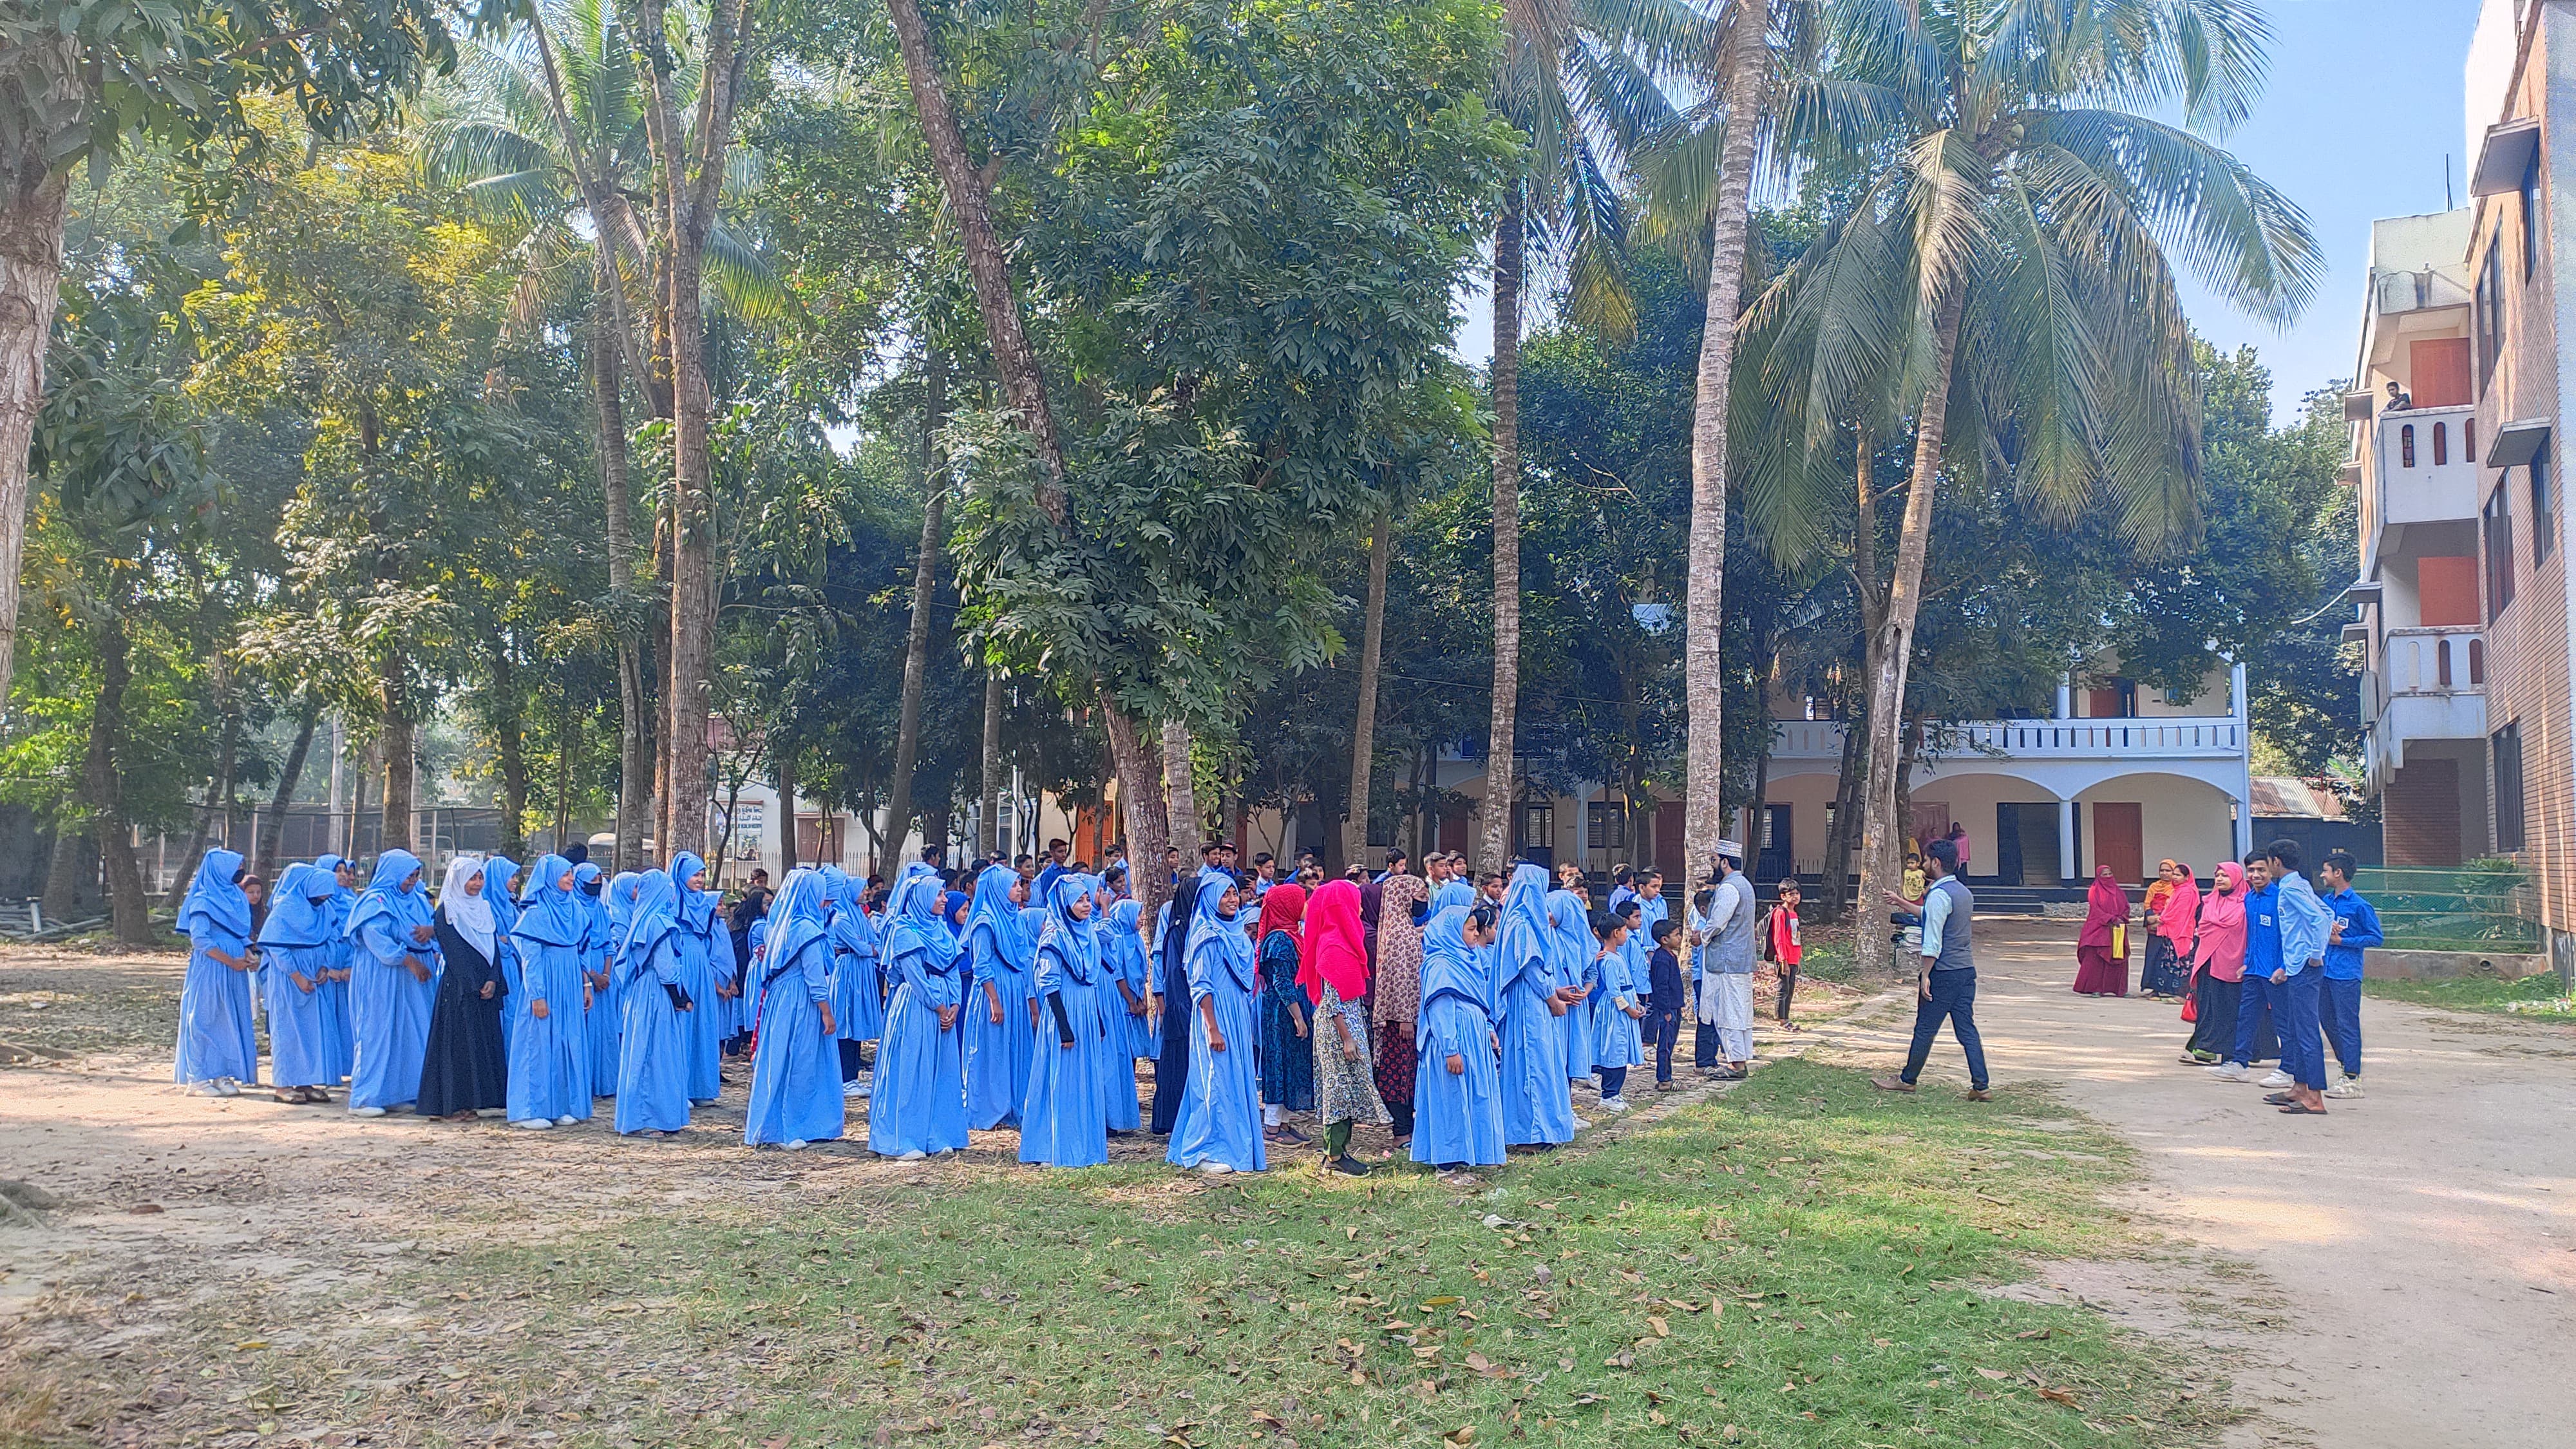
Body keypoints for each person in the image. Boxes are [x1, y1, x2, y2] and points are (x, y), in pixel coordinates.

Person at [1873, 838, 1989, 1099]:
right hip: (1965, 971)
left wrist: (1926, 974)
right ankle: (1981, 1085)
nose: (1923, 864)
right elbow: (1930, 915)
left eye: (1925, 860)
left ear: (1936, 863)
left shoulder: (1939, 895)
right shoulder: (1963, 893)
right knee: (1966, 1029)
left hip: (1943, 972)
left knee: (1925, 1028)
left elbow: (1933, 939)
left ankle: (1907, 1079)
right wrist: (1900, 901)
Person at [1167, 872, 1266, 1175]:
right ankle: (1205, 1149)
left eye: (1234, 894)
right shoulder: (1206, 934)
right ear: (1210, 899)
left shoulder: (1236, 932)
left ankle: (1236, 1145)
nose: (1233, 900)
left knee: (1236, 1080)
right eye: (1224, 895)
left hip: (1236, 1013)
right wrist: (1212, 1027)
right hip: (1216, 1016)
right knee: (1214, 1080)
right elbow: (1201, 986)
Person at [743, 869, 845, 1150]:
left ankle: (769, 1126)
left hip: (779, 1000)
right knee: (802, 1062)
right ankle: (795, 1126)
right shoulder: (808, 931)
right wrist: (826, 1010)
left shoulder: (778, 927)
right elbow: (814, 977)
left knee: (777, 1060)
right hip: (802, 1001)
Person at [871, 869, 969, 1159]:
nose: (943, 899)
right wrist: (940, 1007)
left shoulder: (942, 931)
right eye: (938, 894)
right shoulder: (904, 931)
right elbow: (915, 977)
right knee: (911, 1070)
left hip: (943, 1010)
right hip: (916, 1007)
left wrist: (954, 1006)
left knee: (941, 1071)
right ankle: (903, 1137)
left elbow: (953, 971)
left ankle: (937, 1134)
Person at [1021, 873, 1110, 1168]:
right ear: (1064, 903)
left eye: (1088, 899)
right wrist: (1063, 1027)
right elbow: (1049, 985)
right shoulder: (1054, 937)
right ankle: (1052, 1145)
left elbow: (1091, 980)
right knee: (1061, 1077)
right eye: (1079, 900)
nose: (1086, 905)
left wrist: (1096, 1019)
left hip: (1085, 1008)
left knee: (1084, 1078)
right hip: (1064, 1012)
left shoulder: (1090, 934)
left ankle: (1083, 1145)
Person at [1411, 902, 1506, 1175]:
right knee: (1451, 1096)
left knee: (1472, 1094)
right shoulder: (1440, 964)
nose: (1477, 934)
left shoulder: (1467, 960)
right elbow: (1440, 1009)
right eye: (1471, 929)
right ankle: (1447, 1160)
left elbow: (1477, 1001)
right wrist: (1450, 1049)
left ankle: (1468, 1152)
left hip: (1473, 1038)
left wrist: (1488, 1030)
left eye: (1477, 929)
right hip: (1453, 1041)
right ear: (1452, 931)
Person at [1300, 878, 1385, 1175]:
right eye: (1355, 900)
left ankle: (1339, 1150)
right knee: (1338, 1087)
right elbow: (1333, 999)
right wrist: (1347, 1038)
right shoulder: (1333, 945)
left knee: (1347, 1085)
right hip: (1338, 1028)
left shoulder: (1344, 940)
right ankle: (1334, 1155)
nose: (1360, 906)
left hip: (1347, 1022)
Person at [346, 849, 438, 1118]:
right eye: (408, 875)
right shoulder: (375, 901)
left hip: (417, 977)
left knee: (412, 1032)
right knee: (379, 1031)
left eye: (416, 875)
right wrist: (408, 961)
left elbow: (432, 927)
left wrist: (429, 936)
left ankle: (400, 1092)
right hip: (385, 976)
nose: (412, 881)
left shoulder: (418, 900)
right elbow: (376, 938)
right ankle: (366, 1097)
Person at [507, 855, 594, 1128]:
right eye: (564, 874)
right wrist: (538, 996)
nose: (570, 879)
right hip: (546, 985)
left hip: (570, 985)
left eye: (571, 874)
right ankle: (530, 1109)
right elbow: (530, 959)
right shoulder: (535, 914)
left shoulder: (576, 910)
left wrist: (586, 984)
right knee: (539, 1043)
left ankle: (560, 1104)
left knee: (566, 1042)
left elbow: (580, 950)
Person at [419, 855, 509, 1122]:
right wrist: (474, 983)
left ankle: (473, 1101)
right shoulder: (447, 911)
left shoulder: (484, 909)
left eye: (480, 878)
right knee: (456, 1046)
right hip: (459, 989)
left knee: (480, 1045)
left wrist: (493, 979)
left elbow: (492, 947)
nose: (477, 883)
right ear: (458, 880)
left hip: (485, 989)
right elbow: (454, 952)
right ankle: (450, 1104)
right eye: (471, 878)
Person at [1493, 862, 1576, 1146]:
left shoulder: (1525, 921)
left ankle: (1542, 1128)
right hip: (1529, 1003)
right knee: (1533, 1062)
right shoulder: (1521, 923)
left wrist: (1556, 990)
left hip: (1535, 998)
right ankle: (1533, 1131)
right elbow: (1528, 967)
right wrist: (1552, 999)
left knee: (1540, 1061)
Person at [614, 869, 695, 1135]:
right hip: (657, 993)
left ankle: (640, 1116)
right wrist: (679, 997)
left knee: (641, 1050)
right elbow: (665, 966)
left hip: (642, 992)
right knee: (657, 1053)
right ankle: (653, 1117)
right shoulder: (660, 922)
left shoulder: (643, 919)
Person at [174, 849, 260, 1097]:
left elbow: (240, 932)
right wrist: (229, 961)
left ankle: (222, 1073)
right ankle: (197, 1077)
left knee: (228, 1018)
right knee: (202, 1017)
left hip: (235, 969)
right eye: (236, 866)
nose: (240, 871)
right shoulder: (203, 900)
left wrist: (247, 954)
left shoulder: (236, 897)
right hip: (212, 968)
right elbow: (200, 939)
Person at [256, 863, 339, 1104]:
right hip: (289, 980)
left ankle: (306, 1082)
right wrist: (297, 976)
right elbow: (276, 947)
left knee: (312, 1031)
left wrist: (325, 966)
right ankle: (283, 1086)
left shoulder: (325, 910)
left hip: (316, 977)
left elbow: (332, 939)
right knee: (288, 1031)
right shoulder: (285, 910)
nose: (324, 899)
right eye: (321, 894)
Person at [962, 862, 1036, 1130]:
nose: (1019, 889)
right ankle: (990, 1108)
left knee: (1015, 1046)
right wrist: (994, 1000)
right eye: (1014, 885)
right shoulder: (985, 921)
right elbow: (981, 965)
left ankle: (1015, 1103)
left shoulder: (1014, 918)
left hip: (1015, 989)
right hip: (995, 991)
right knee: (993, 1048)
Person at [2264, 839, 2335, 1117]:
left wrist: (2317, 953)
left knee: (2306, 1033)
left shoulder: (2291, 888)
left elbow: (2318, 919)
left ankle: (2315, 1098)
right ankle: (2300, 1087)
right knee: (2295, 1028)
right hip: (2296, 966)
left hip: (2305, 968)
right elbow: (2327, 913)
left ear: (2276, 862)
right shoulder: (2299, 884)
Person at [2209, 857, 2286, 1084]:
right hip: (2253, 970)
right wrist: (2246, 962)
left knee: (2282, 1021)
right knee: (2246, 1018)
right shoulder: (2249, 899)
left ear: (2271, 870)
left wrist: (2284, 967)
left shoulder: (2281, 897)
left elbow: (2287, 936)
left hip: (2275, 973)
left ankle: (2289, 1069)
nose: (2256, 875)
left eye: (2261, 870)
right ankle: (2239, 1064)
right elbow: (2253, 935)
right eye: (2251, 870)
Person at [667, 852, 735, 1104]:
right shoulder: (671, 900)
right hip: (680, 958)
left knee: (703, 1023)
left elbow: (711, 938)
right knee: (683, 1023)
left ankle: (700, 1087)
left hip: (700, 962)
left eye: (702, 874)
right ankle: (680, 1089)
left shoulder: (705, 904)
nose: (700, 879)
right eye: (695, 874)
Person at [1370, 869, 1429, 1147]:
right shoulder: (1401, 934)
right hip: (1402, 1021)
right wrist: (1406, 1017)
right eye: (1419, 897)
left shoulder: (1395, 927)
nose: (1422, 902)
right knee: (1400, 1076)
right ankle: (1402, 1131)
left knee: (1404, 1074)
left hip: (1401, 1017)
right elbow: (1402, 977)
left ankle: (1405, 1128)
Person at [2315, 852, 2381, 1100]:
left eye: (2326, 870)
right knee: (2327, 1020)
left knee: (2347, 1024)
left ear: (2338, 873)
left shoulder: (2360, 905)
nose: (2322, 875)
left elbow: (2376, 937)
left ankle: (2353, 1077)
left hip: (2346, 973)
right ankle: (2345, 1066)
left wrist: (2344, 941)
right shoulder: (2326, 902)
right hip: (2324, 970)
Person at [1253, 880, 1315, 1141]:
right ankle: (1272, 1125)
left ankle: (1285, 1121)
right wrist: (1298, 1016)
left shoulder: (1292, 934)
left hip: (1292, 1008)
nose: (1306, 905)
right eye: (1301, 900)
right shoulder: (1279, 940)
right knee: (1279, 1063)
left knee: (1293, 1063)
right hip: (1282, 1013)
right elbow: (1282, 982)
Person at [821, 866, 883, 1099]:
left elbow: (873, 941)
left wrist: (871, 948)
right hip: (849, 972)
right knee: (847, 1020)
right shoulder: (842, 919)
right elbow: (862, 947)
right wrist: (871, 949)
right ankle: (845, 1077)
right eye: (862, 890)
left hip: (861, 971)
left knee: (856, 1022)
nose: (866, 893)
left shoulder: (859, 916)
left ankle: (853, 1076)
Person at [1698, 844, 1759, 1080]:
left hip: (1726, 961)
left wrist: (1700, 936)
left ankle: (1736, 1063)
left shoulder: (1729, 888)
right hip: (1740, 959)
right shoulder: (1745, 885)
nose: (1712, 866)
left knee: (1728, 1013)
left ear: (1725, 862)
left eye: (1715, 860)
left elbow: (1717, 923)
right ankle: (1740, 1059)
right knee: (1740, 1011)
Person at [2179, 861, 2248, 1065]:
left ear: (2236, 878)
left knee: (2230, 1007)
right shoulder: (2208, 901)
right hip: (2208, 961)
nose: (2219, 879)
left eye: (2225, 876)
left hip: (2233, 962)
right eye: (2217, 875)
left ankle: (2232, 1053)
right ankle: (2205, 1049)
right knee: (2208, 1006)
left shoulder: (2246, 903)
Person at [1100, 896, 1155, 1132]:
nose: (1142, 919)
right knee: (1122, 1052)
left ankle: (1127, 1095)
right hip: (1122, 1003)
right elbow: (1118, 973)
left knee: (1132, 1053)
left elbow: (1140, 973)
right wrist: (1131, 1001)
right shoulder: (1119, 939)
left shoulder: (1136, 940)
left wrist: (1142, 997)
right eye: (1139, 914)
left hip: (1136, 999)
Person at [1591, 900, 1647, 1112]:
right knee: (1615, 1050)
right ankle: (1609, 1094)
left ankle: (1615, 1093)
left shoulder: (1617, 957)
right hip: (1616, 1011)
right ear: (1616, 933)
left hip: (1625, 1006)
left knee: (1621, 1050)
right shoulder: (1610, 961)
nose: (1626, 934)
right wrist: (1629, 1008)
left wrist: (1637, 1002)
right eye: (1623, 930)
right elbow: (1615, 991)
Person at [1548, 883, 1597, 1100]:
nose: (1548, 914)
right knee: (1554, 1055)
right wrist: (1557, 992)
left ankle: (1567, 1105)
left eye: (1552, 909)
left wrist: (1585, 992)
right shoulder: (1545, 938)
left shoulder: (1581, 939)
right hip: (1554, 1005)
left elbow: (1592, 972)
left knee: (1570, 1055)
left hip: (1576, 1006)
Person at [573, 862, 618, 1098]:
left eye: (598, 882)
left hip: (603, 968)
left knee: (604, 1028)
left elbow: (610, 944)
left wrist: (607, 974)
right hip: (583, 971)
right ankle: (585, 1083)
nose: (595, 886)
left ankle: (605, 1082)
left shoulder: (601, 909)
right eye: (590, 882)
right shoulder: (573, 909)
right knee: (585, 1026)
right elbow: (578, 948)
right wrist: (592, 976)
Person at [313, 854, 358, 1086]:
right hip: (325, 971)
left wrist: (350, 964)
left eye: (345, 870)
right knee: (327, 1019)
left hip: (348, 969)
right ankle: (328, 1069)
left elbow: (356, 936)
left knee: (348, 1019)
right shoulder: (318, 903)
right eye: (337, 870)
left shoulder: (352, 903)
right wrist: (328, 968)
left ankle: (348, 1067)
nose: (343, 875)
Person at [482, 856, 523, 1054]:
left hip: (513, 970)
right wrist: (507, 941)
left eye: (516, 876)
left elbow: (518, 939)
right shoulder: (485, 907)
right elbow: (491, 941)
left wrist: (509, 940)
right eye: (511, 876)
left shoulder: (511, 907)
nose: (516, 881)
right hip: (497, 970)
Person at [2072, 865, 2132, 996]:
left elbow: (2126, 907)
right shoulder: (2094, 890)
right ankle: (2096, 988)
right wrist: (2110, 918)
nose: (2108, 877)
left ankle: (2118, 989)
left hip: (2117, 929)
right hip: (2099, 928)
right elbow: (2096, 909)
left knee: (2118, 956)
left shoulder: (2118, 891)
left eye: (2110, 874)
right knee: (2096, 957)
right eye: (2104, 875)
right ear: (2099, 877)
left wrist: (2121, 918)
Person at [1645, 918, 1685, 1091]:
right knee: (1665, 1044)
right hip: (1667, 1009)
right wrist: (1666, 1009)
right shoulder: (1661, 959)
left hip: (1675, 1006)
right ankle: (1664, 1079)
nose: (1680, 938)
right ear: (1664, 939)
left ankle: (1666, 1076)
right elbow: (1661, 987)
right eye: (1676, 935)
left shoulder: (1670, 956)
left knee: (1670, 1042)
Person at [1763, 881, 1803, 1028]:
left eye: (1797, 894)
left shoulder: (1794, 914)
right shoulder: (1780, 913)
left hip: (1793, 957)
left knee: (1790, 988)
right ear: (1783, 896)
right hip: (1784, 958)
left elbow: (1796, 937)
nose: (1795, 897)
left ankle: (1786, 1017)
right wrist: (1783, 961)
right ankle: (1781, 1020)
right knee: (1783, 989)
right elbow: (1779, 938)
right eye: (1791, 894)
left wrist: (1798, 958)